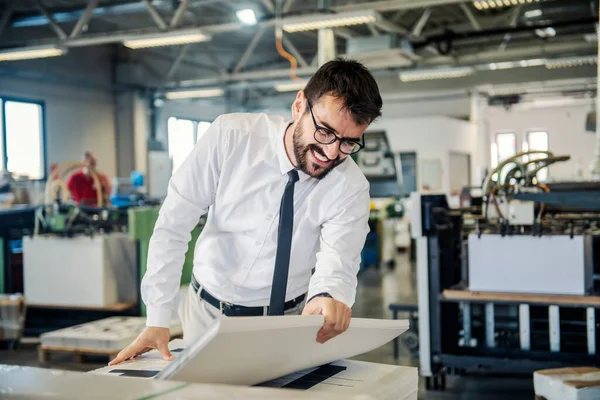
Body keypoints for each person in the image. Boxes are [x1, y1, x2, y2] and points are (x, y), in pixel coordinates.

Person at [109, 58, 383, 365]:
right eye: (325, 131)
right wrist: (157, 317)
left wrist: (327, 296)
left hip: (288, 319)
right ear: (299, 106)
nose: (331, 152)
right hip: (207, 314)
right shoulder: (231, 137)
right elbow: (174, 224)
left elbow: (339, 261)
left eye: (348, 143)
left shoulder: (350, 186)